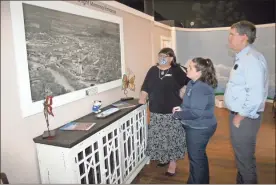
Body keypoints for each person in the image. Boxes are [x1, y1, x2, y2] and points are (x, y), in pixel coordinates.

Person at [224, 20, 269, 184]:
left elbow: (256, 95)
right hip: (243, 116)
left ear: (243, 37)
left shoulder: (250, 59)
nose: (229, 38)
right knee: (243, 159)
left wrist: (240, 116)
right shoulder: (246, 57)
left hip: (245, 118)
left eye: (232, 34)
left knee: (245, 162)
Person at [139, 47, 190, 176]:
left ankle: (172, 163)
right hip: (156, 111)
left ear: (171, 58)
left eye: (165, 56)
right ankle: (164, 157)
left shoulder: (176, 70)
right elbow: (145, 85)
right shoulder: (152, 70)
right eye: (160, 55)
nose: (162, 58)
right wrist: (142, 98)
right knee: (159, 137)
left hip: (172, 111)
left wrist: (183, 92)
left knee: (172, 137)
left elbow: (189, 82)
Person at [172, 57, 218, 184]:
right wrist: (180, 108)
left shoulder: (201, 88)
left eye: (190, 67)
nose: (187, 68)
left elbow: (196, 113)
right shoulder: (193, 83)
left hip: (200, 128)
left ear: (199, 72)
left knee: (196, 159)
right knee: (199, 157)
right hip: (198, 126)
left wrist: (178, 115)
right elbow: (189, 104)